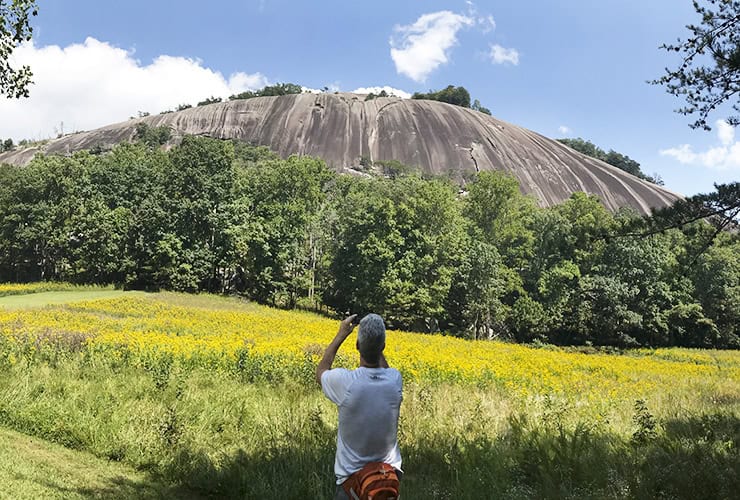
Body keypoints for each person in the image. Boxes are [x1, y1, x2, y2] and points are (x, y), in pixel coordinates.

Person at [316, 313, 403, 499]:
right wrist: (376, 345)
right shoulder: (395, 380)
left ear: (357, 346)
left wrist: (341, 334)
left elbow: (321, 371)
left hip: (352, 483)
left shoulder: (346, 382)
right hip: (387, 480)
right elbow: (384, 370)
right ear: (383, 348)